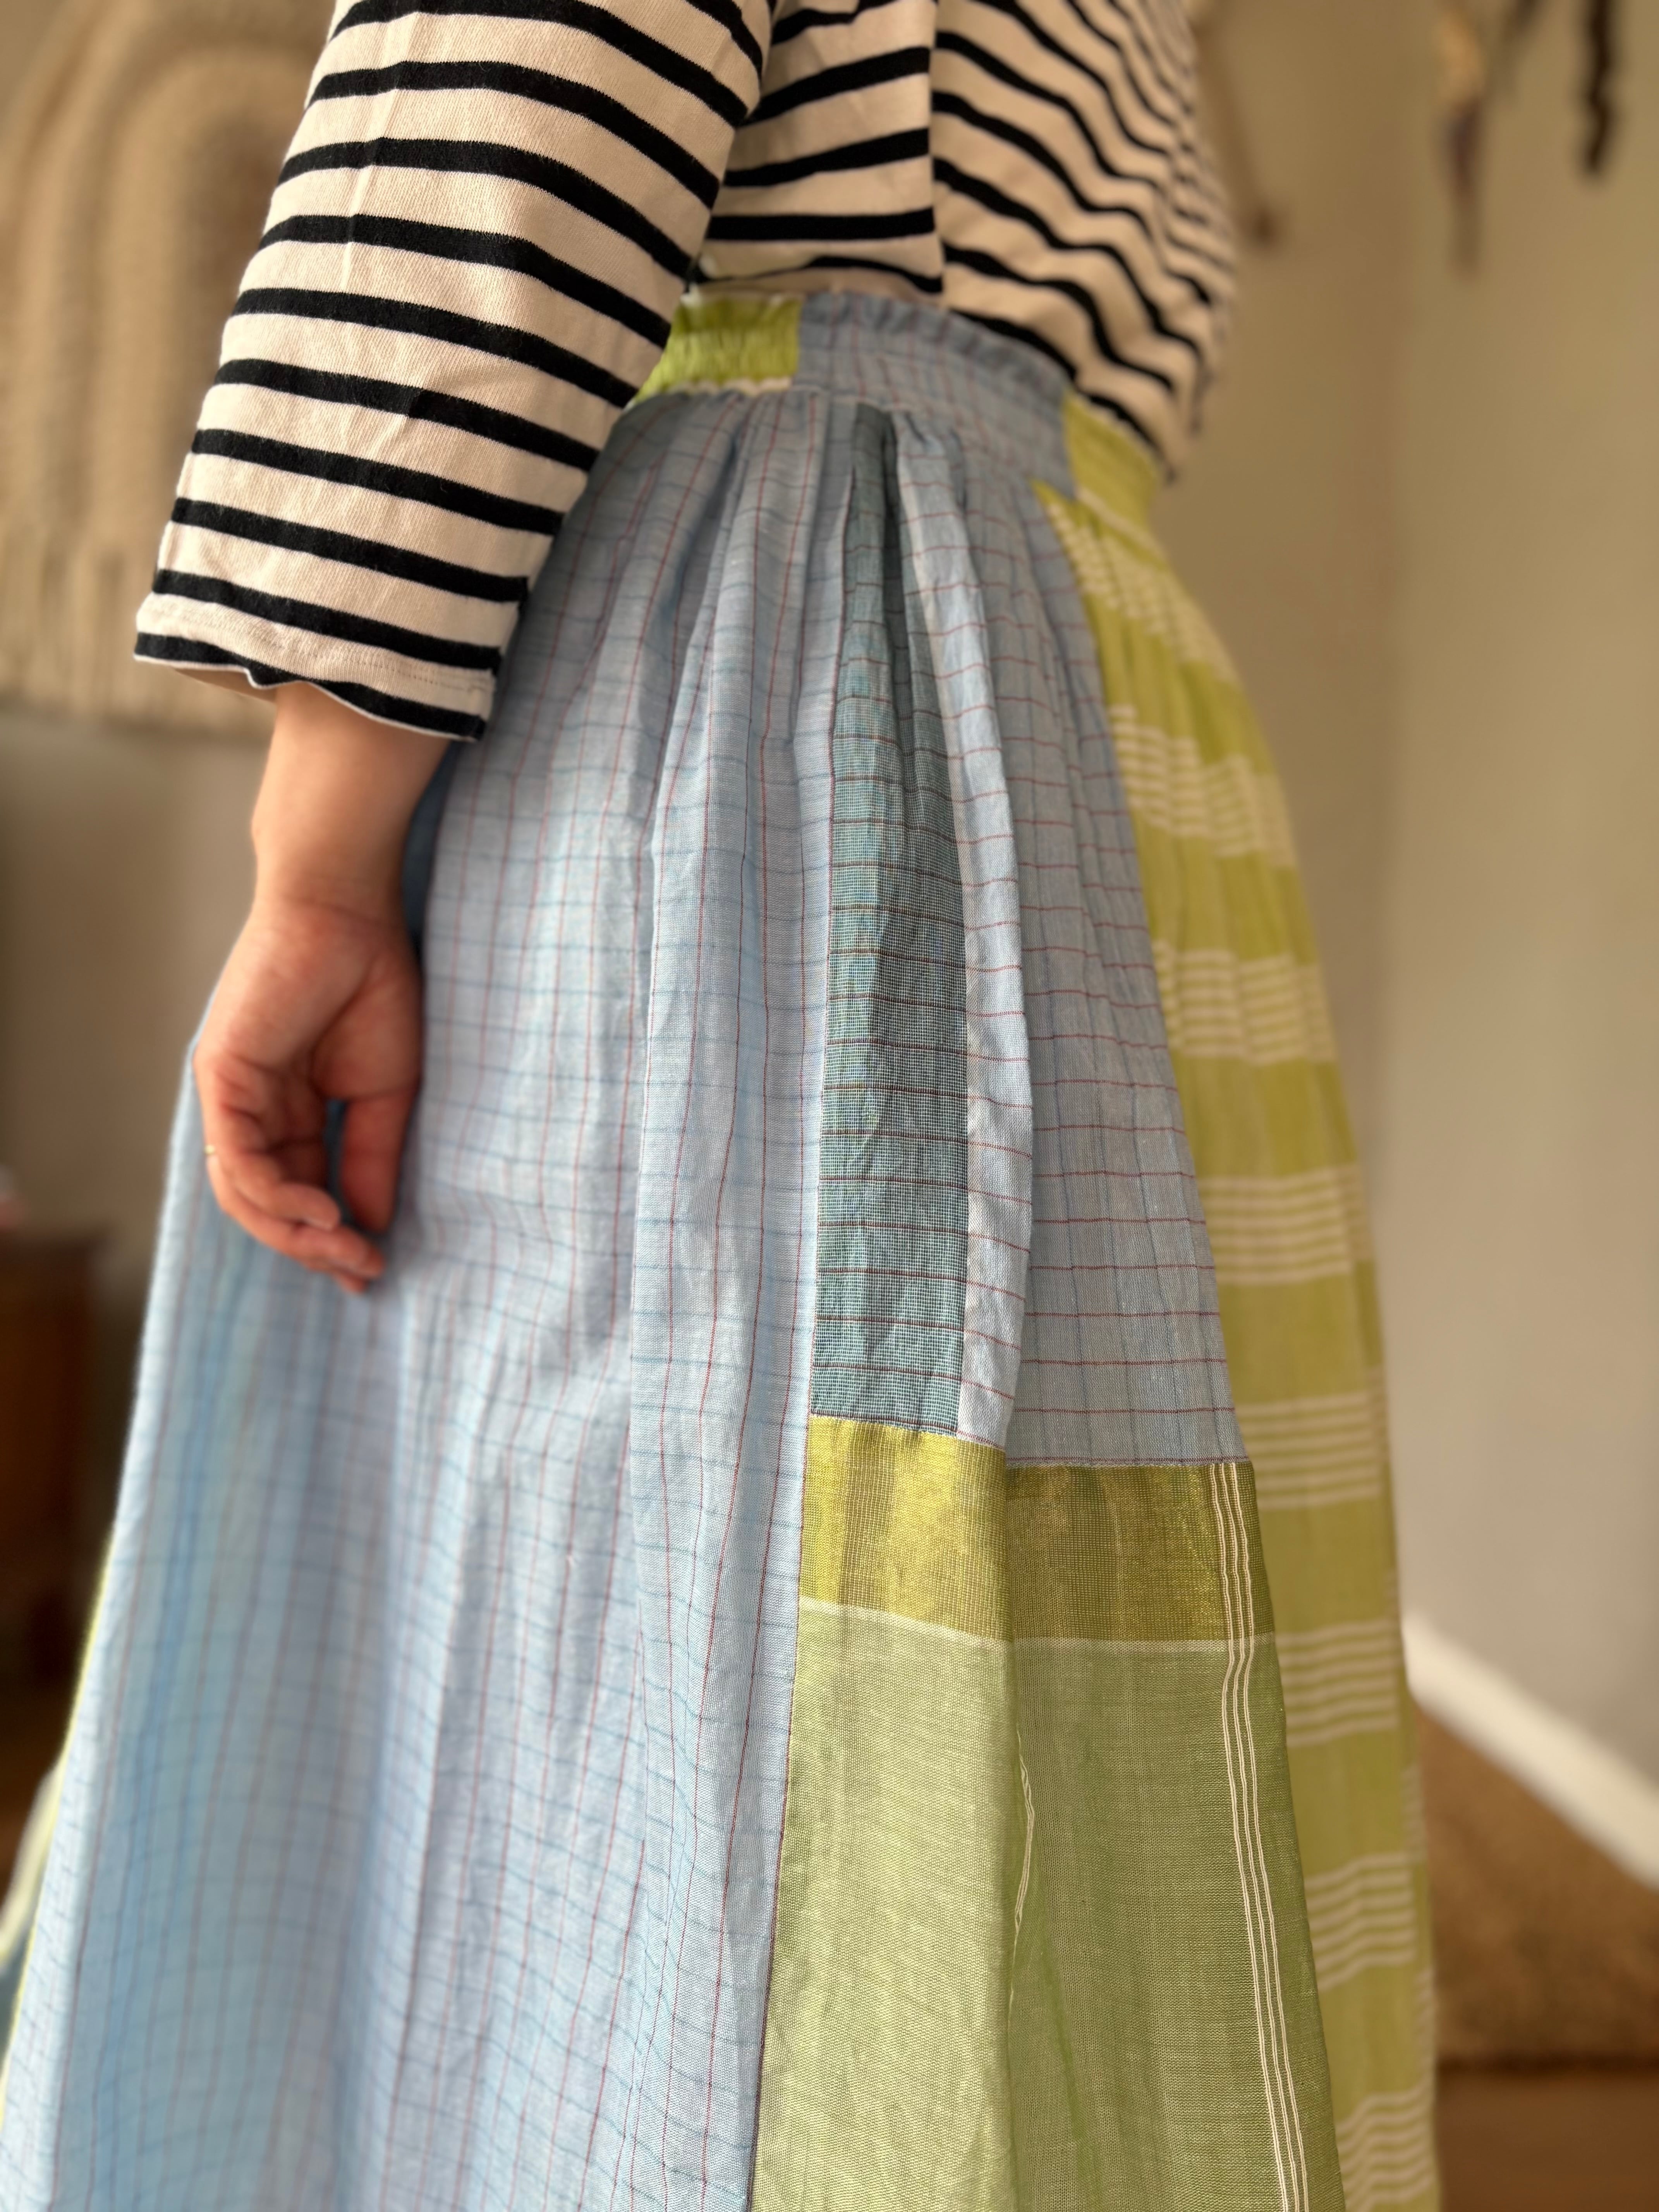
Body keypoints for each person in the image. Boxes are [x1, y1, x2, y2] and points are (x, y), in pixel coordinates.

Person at [0, 2, 1437, 2205]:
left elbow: (520, 101)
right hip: (1075, 684)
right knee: (1023, 1705)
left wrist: (320, 846)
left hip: (775, 675)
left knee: (618, 1717)